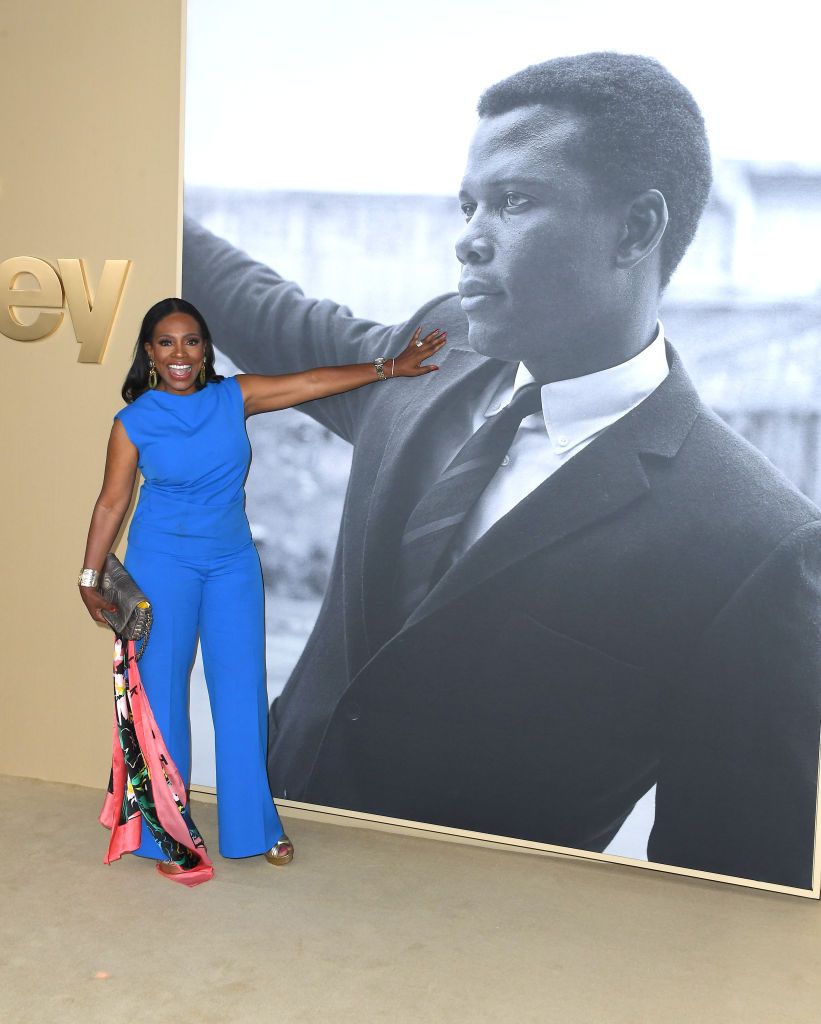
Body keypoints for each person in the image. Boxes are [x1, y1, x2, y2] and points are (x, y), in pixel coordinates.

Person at [181, 53, 821, 889]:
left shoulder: (753, 542)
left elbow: (724, 893)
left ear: (635, 229)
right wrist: (132, 189)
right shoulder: (432, 354)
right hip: (245, 868)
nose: (469, 235)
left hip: (459, 969)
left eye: (515, 201)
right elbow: (263, 311)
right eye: (468, 203)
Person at [78, 297, 445, 875]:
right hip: (161, 563)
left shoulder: (234, 397)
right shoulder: (134, 422)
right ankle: (166, 835)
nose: (180, 354)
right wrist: (90, 574)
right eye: (167, 343)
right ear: (149, 353)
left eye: (192, 341)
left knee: (241, 694)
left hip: (231, 565)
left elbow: (312, 381)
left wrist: (390, 367)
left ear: (205, 350)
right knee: (164, 697)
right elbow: (111, 503)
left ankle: (255, 825)